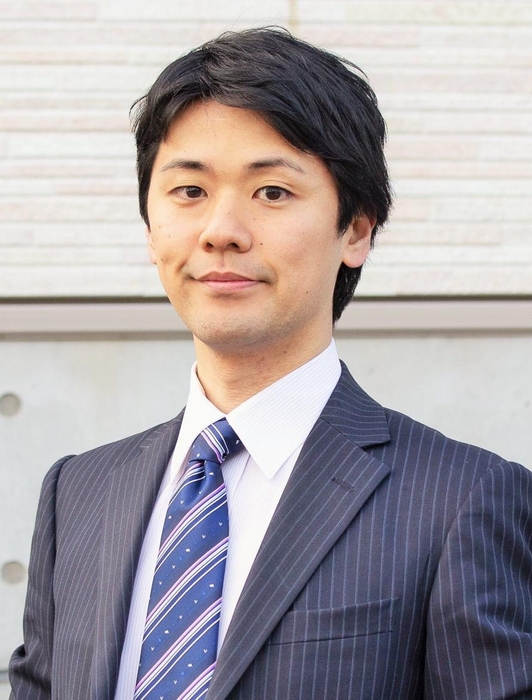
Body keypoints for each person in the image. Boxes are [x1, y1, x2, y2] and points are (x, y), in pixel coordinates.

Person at [9, 27, 532, 700]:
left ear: (357, 229)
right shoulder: (77, 494)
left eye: (273, 192)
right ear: (149, 227)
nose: (221, 231)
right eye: (188, 191)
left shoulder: (462, 500)